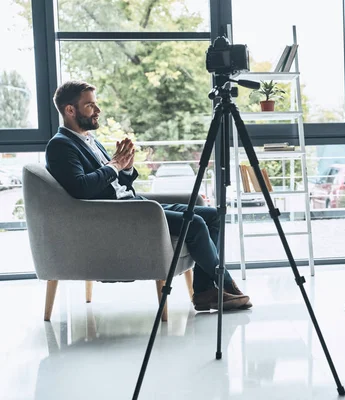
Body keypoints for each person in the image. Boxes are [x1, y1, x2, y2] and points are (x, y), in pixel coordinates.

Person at [45, 80, 252, 311]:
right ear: (70, 110)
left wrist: (125, 169)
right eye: (90, 106)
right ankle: (225, 283)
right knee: (194, 223)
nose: (98, 111)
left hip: (134, 205)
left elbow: (114, 183)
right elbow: (81, 188)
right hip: (120, 216)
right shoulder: (60, 146)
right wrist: (114, 165)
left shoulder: (90, 140)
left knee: (213, 215)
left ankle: (204, 292)